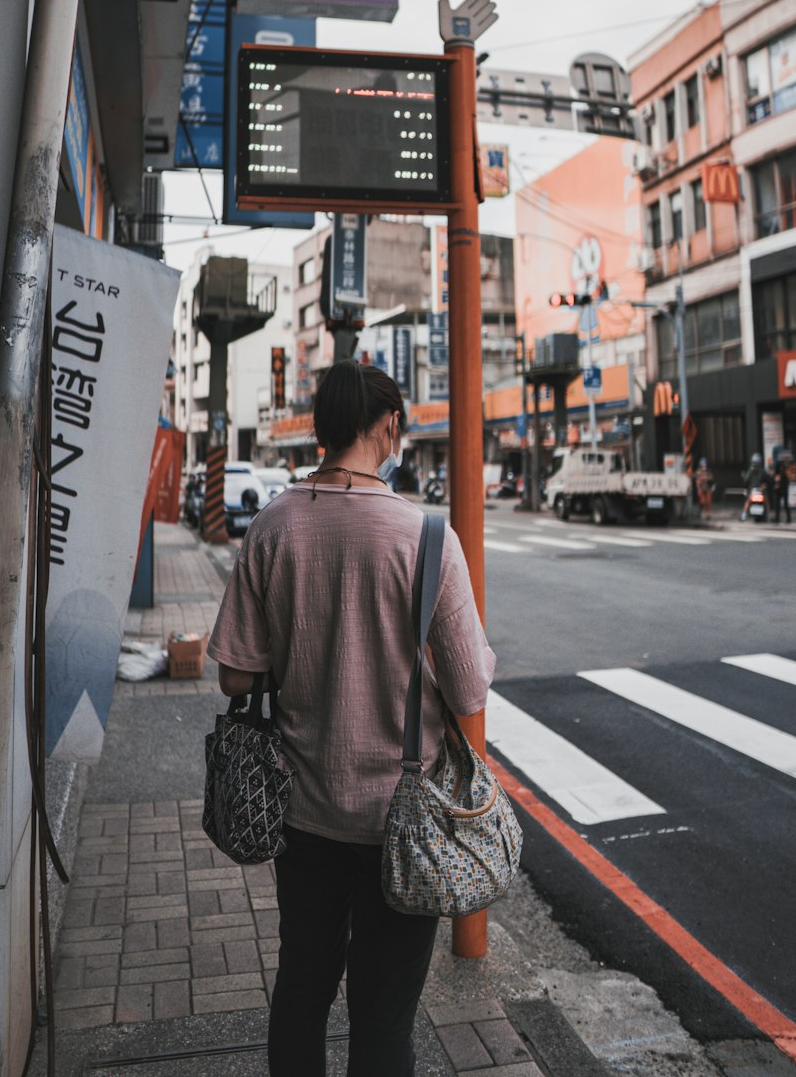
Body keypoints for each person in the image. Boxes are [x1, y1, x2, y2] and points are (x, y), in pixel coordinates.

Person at [206, 360, 495, 1077]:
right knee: (384, 1018)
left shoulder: (273, 526)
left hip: (301, 815)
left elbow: (234, 675)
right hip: (404, 821)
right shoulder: (426, 539)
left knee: (302, 988)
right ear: (390, 427)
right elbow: (468, 688)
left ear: (319, 428)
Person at [771, 455, 792, 525]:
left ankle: (788, 518)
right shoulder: (777, 473)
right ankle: (778, 518)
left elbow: (785, 483)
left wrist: (779, 485)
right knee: (778, 504)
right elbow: (773, 481)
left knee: (784, 504)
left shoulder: (783, 474)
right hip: (779, 490)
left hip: (783, 490)